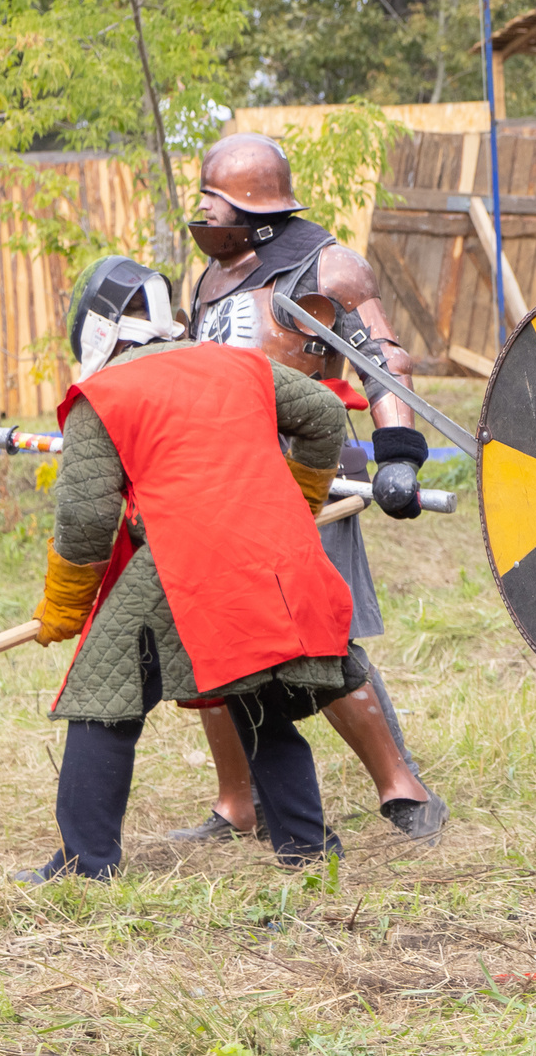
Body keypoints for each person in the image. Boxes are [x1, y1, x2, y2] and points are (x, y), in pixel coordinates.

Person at [16, 258, 361, 880]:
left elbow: (87, 521)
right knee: (257, 694)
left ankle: (85, 862)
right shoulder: (237, 361)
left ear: (97, 331)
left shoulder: (106, 393)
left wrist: (66, 605)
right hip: (270, 556)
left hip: (188, 561)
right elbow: (327, 418)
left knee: (101, 696)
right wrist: (299, 501)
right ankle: (306, 850)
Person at [174, 133, 447, 843]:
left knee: (325, 638)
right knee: (215, 639)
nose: (201, 211)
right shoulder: (207, 278)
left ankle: (402, 785)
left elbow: (382, 357)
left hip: (304, 472)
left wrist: (397, 454)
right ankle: (241, 801)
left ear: (254, 207)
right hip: (216, 484)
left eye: (214, 199)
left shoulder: (326, 266)